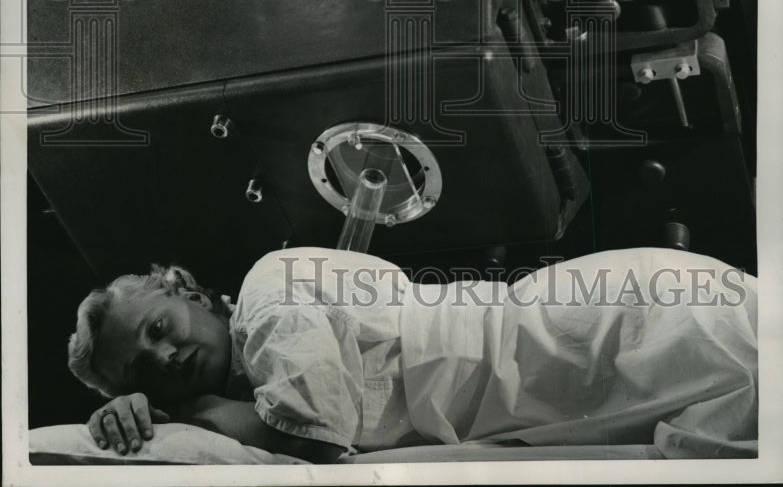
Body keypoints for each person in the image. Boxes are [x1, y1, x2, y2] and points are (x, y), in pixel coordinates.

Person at [68, 245, 758, 463]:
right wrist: (150, 415)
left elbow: (313, 445)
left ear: (186, 291)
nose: (163, 355)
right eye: (141, 368)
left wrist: (184, 413)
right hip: (564, 373)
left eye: (158, 327)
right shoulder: (252, 381)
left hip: (597, 331)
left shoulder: (267, 293)